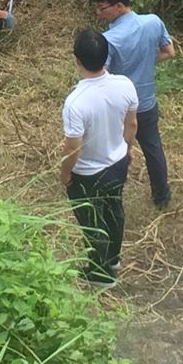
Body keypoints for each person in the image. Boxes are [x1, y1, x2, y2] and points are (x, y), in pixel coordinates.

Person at [60, 30, 138, 287]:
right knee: (114, 208)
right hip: (117, 163)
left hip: (88, 173)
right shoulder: (125, 84)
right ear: (106, 57)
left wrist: (65, 173)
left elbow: (73, 147)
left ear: (77, 59)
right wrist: (128, 149)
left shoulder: (76, 102)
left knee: (91, 221)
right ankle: (113, 258)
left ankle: (100, 273)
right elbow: (132, 123)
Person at [90, 0, 175, 209]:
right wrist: (146, 61)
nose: (99, 12)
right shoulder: (153, 22)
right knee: (153, 149)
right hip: (146, 102)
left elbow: (101, 75)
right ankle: (162, 196)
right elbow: (169, 52)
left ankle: (111, 195)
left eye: (102, 7)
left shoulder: (109, 40)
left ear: (119, 6)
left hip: (119, 107)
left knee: (115, 151)